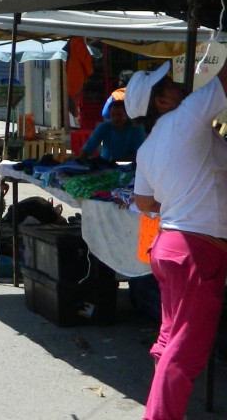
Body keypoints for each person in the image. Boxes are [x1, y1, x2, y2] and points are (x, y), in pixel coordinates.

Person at [127, 60, 227, 420]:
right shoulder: (186, 118)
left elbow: (143, 202)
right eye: (168, 84)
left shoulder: (149, 145)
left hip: (170, 245)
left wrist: (178, 193)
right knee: (187, 351)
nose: (178, 84)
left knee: (170, 342)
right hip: (195, 251)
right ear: (161, 103)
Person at [79, 99, 144, 162]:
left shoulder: (136, 128)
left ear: (127, 115)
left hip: (130, 166)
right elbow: (88, 148)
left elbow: (140, 153)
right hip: (106, 165)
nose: (116, 118)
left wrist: (119, 161)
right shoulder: (103, 127)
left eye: (120, 115)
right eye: (113, 115)